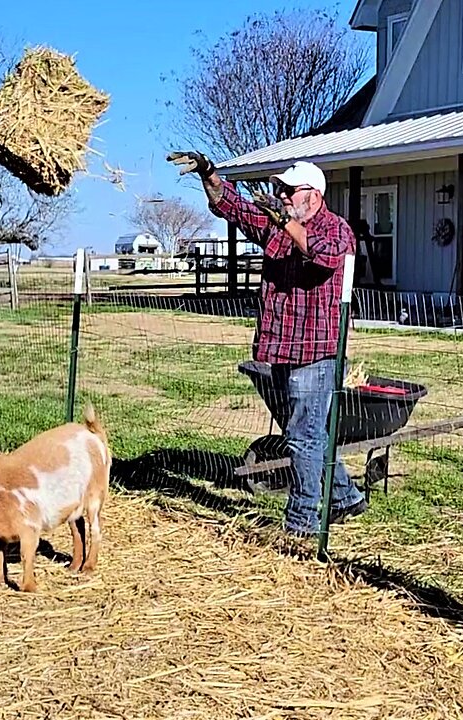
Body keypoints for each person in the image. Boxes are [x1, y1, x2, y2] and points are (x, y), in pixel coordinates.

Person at [168, 150, 368, 537]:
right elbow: (234, 207)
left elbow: (323, 257)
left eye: (290, 190)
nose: (283, 196)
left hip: (316, 353)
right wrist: (208, 174)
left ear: (314, 194)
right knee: (309, 435)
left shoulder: (336, 229)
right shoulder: (277, 224)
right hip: (278, 349)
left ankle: (302, 522)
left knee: (304, 437)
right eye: (281, 190)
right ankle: (345, 497)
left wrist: (287, 222)